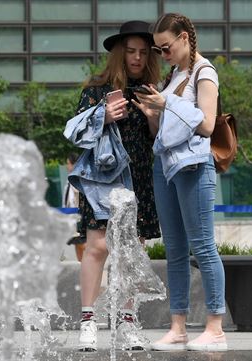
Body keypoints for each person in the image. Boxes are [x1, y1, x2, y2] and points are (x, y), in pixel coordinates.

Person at [131, 13, 227, 352]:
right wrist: (153, 113)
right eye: (159, 49)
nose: (162, 54)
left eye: (166, 47)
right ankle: (178, 327)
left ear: (185, 37)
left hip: (193, 167)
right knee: (174, 250)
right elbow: (164, 132)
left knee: (202, 246)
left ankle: (215, 327)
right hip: (166, 166)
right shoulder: (174, 75)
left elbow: (207, 124)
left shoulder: (205, 72)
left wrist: (166, 101)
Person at [72, 20, 161, 351]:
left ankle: (126, 322)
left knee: (131, 254)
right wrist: (104, 115)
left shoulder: (152, 90)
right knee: (97, 247)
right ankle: (88, 321)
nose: (136, 58)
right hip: (103, 180)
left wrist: (154, 116)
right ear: (119, 54)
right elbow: (78, 134)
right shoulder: (96, 89)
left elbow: (158, 140)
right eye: (131, 52)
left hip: (139, 179)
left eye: (142, 52)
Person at [62, 152, 86, 262]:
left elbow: (78, 194)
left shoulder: (78, 178)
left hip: (79, 215)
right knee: (76, 243)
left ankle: (86, 266)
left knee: (83, 244)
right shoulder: (69, 179)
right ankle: (80, 265)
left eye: (68, 163)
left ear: (74, 164)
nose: (67, 166)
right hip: (71, 215)